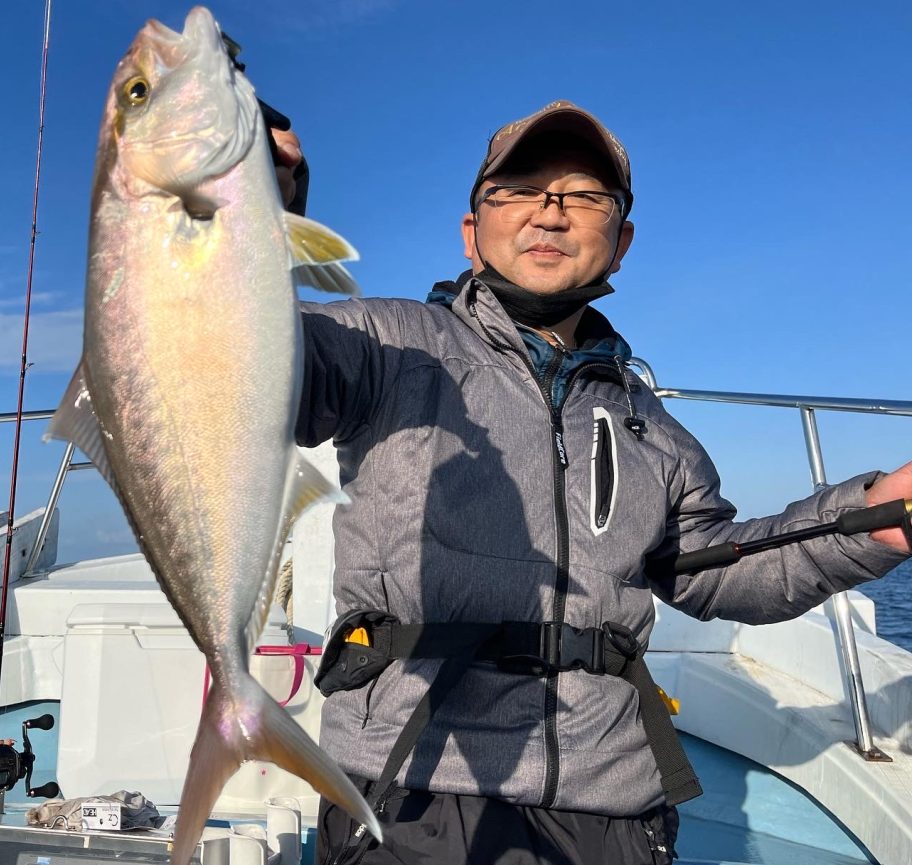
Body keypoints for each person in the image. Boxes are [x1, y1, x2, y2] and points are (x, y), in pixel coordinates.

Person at [270, 101, 912, 865]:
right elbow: (239, 360)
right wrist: (253, 200)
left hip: (615, 802)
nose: (551, 211)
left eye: (584, 195)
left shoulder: (651, 425)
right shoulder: (382, 345)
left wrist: (878, 517)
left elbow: (717, 572)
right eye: (519, 189)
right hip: (415, 782)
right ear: (471, 232)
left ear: (622, 242)